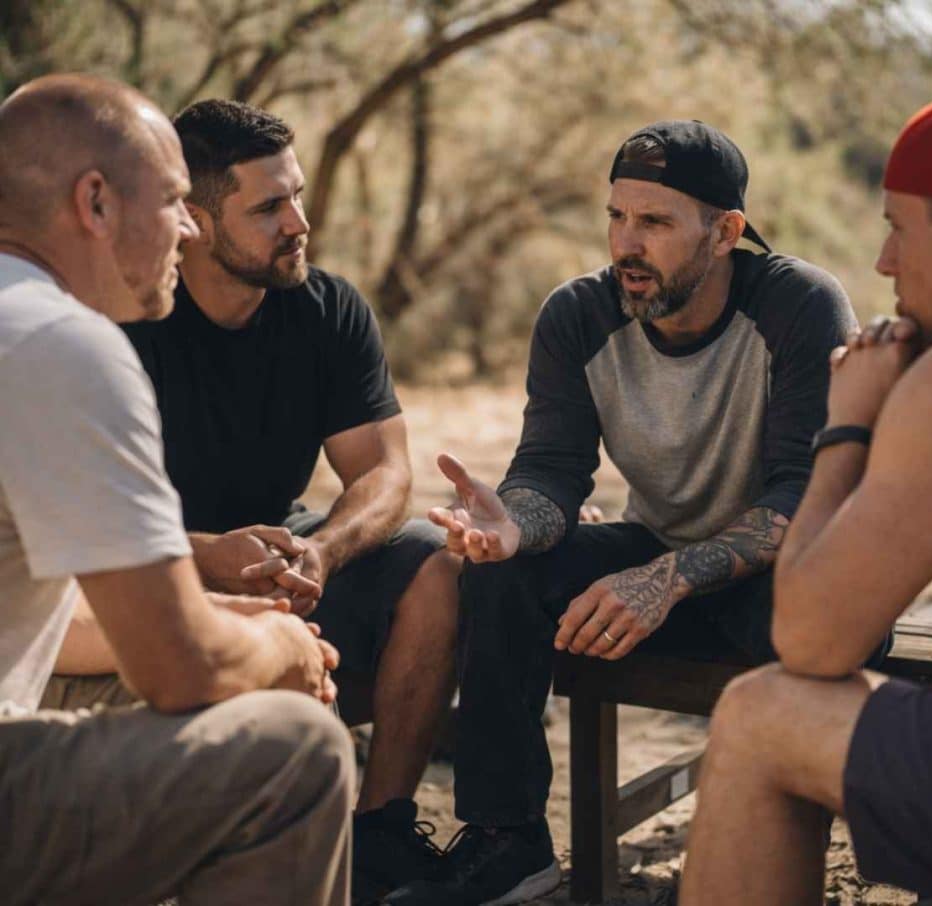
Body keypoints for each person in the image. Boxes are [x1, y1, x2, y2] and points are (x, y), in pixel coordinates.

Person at [387, 120, 873, 905]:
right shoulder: (577, 315)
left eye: (654, 222)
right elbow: (551, 469)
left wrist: (672, 576)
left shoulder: (799, 305)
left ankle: (782, 857)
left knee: (815, 616)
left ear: (726, 232)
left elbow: (805, 493)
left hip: (784, 576)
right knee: (497, 574)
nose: (625, 243)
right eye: (616, 216)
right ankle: (509, 843)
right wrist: (512, 525)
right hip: (658, 555)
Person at [0, 74, 353, 905]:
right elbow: (181, 670)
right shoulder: (61, 343)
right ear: (95, 202)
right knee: (295, 753)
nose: (188, 227)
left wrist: (223, 617)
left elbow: (56, 622)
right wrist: (283, 649)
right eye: (174, 201)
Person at [103, 98, 457, 902]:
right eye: (269, 207)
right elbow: (93, 527)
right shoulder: (126, 322)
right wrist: (205, 556)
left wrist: (320, 552)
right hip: (160, 564)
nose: (299, 221)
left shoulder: (327, 310)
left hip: (284, 552)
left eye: (296, 195)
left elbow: (385, 473)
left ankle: (382, 834)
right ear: (192, 220)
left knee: (436, 568)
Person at [679, 82, 932, 906]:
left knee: (764, 715)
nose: (884, 263)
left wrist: (849, 424)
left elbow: (809, 639)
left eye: (898, 228)